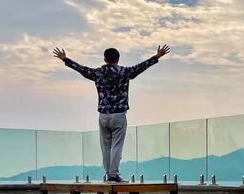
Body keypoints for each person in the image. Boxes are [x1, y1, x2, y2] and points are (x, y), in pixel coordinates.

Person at [53, 44, 170, 183]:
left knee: (105, 146)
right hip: (119, 115)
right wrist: (157, 56)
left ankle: (109, 173)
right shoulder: (124, 72)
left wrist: (65, 59)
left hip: (103, 115)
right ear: (118, 59)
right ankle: (113, 174)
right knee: (117, 146)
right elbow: (141, 67)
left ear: (104, 59)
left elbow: (81, 69)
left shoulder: (97, 73)